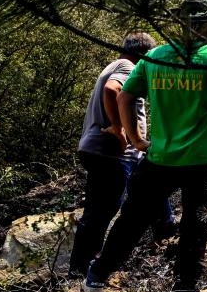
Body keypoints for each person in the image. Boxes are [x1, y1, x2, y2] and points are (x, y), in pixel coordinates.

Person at [82, 0, 207, 292]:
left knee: (132, 219)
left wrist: (137, 140)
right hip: (205, 159)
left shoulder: (155, 57)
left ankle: (97, 276)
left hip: (160, 158)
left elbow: (124, 96)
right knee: (197, 225)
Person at [68, 32, 175, 276]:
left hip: (99, 149)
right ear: (146, 55)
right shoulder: (127, 67)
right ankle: (81, 269)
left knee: (150, 181)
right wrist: (119, 130)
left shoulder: (114, 64)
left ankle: (166, 226)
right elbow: (112, 89)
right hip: (111, 152)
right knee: (102, 210)